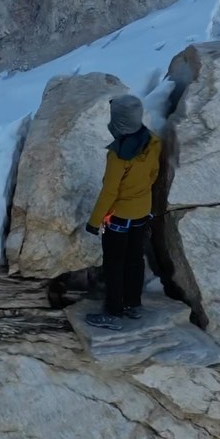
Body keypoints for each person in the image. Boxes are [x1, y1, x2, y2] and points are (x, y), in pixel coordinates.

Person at [84, 94, 161, 330]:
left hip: (119, 217)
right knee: (135, 259)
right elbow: (153, 175)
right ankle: (133, 304)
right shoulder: (153, 142)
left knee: (114, 264)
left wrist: (95, 222)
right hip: (142, 212)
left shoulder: (118, 155)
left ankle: (114, 312)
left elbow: (109, 192)